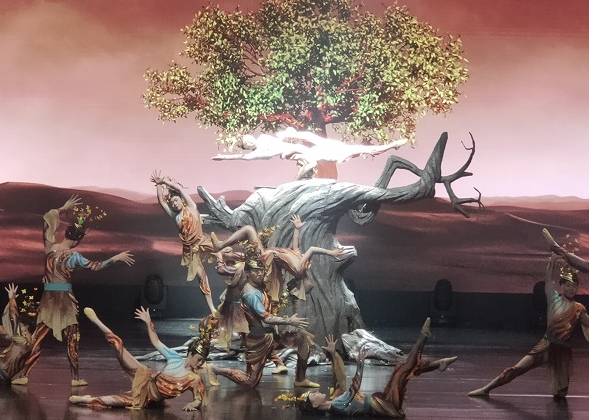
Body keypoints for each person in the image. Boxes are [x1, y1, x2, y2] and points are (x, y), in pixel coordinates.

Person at [20, 196, 135, 387]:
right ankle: (75, 378)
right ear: (77, 240)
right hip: (65, 300)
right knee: (72, 338)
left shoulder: (49, 248)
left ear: (66, 234)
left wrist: (62, 208)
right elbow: (96, 266)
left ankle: (24, 375)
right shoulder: (74, 256)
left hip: (48, 298)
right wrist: (115, 258)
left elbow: (47, 219)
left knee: (38, 337)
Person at [469, 247, 589, 399]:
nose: (571, 289)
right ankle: (486, 389)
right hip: (546, 345)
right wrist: (552, 261)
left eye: (574, 286)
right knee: (517, 369)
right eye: (568, 285)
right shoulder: (554, 299)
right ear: (561, 286)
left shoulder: (579, 308)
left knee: (561, 394)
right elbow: (549, 280)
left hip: (563, 351)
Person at [297, 319, 457, 416]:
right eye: (313, 395)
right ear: (315, 405)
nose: (316, 392)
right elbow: (353, 388)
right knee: (402, 371)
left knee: (402, 370)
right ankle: (423, 337)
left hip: (383, 401)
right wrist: (360, 364)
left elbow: (339, 380)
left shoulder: (334, 402)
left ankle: (437, 364)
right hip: (386, 406)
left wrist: (333, 355)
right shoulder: (337, 406)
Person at [210, 258, 319, 388]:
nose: (260, 273)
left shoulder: (260, 286)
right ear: (247, 273)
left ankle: (300, 379)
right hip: (258, 340)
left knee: (303, 338)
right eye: (256, 271)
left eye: (261, 270)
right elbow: (265, 318)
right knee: (250, 381)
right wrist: (289, 321)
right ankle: (215, 369)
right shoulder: (251, 294)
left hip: (273, 336)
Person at [69, 307, 206, 410]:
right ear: (190, 354)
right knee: (117, 344)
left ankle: (86, 399)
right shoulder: (174, 357)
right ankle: (96, 321)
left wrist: (193, 404)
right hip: (144, 376)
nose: (200, 363)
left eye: (203, 360)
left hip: (146, 397)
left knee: (111, 402)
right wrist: (148, 322)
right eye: (199, 359)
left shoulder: (194, 379)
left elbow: (198, 399)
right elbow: (156, 341)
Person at [212, 214, 355, 303]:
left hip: (265, 257)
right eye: (293, 288)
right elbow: (295, 248)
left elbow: (311, 249)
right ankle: (222, 255)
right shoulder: (301, 267)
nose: (290, 285)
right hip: (267, 254)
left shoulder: (299, 270)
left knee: (249, 230)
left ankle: (220, 247)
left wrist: (330, 252)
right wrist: (297, 229)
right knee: (238, 254)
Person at [213, 128, 407, 180]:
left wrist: (290, 135)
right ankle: (390, 146)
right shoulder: (258, 153)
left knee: (355, 149)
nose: (249, 141)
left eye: (247, 139)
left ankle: (390, 145)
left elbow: (292, 136)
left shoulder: (264, 137)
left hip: (311, 150)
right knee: (311, 163)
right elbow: (243, 157)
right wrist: (224, 157)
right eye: (246, 143)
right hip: (306, 155)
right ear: (248, 147)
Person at [151, 171, 217, 315]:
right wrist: (158, 185)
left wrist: (164, 182)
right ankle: (212, 308)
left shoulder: (192, 206)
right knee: (202, 278)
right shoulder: (175, 215)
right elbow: (162, 201)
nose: (174, 204)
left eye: (176, 200)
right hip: (190, 250)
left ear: (182, 199)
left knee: (223, 252)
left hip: (203, 241)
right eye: (172, 203)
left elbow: (179, 189)